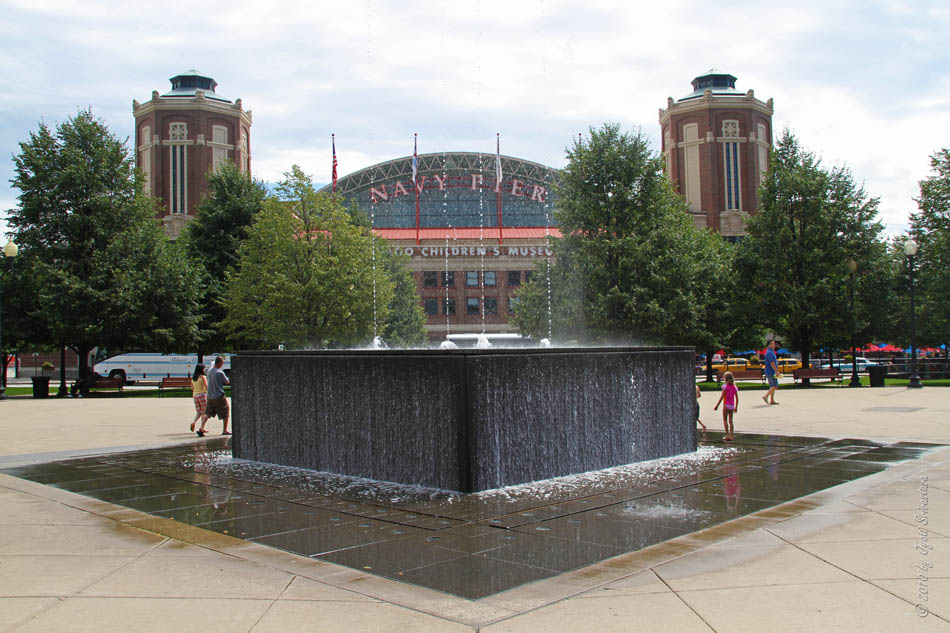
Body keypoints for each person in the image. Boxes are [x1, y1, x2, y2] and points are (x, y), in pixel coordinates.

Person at [197, 356, 230, 437]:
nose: (222, 365)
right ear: (219, 363)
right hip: (218, 395)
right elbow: (227, 382)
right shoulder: (220, 372)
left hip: (210, 395)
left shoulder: (209, 371)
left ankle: (201, 428)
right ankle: (225, 430)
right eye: (222, 363)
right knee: (226, 411)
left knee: (208, 412)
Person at [713, 371, 738, 441]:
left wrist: (717, 406)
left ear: (725, 379)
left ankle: (727, 435)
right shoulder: (734, 387)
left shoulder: (725, 387)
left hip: (726, 405)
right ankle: (732, 436)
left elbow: (722, 397)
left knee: (725, 420)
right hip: (732, 406)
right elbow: (737, 398)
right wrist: (736, 407)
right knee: (731, 421)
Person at [189, 364, 207, 433]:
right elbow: (206, 386)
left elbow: (192, 388)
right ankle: (202, 427)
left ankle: (194, 422)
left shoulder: (193, 378)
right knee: (204, 412)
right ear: (202, 369)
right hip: (202, 395)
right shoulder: (203, 377)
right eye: (204, 368)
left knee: (199, 412)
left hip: (195, 395)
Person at [762, 339, 780, 405]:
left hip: (771, 371)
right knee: (774, 385)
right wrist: (776, 371)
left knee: (773, 386)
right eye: (772, 343)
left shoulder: (771, 352)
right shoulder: (769, 352)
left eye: (774, 343)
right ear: (769, 345)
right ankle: (765, 396)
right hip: (770, 372)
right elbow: (772, 363)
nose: (774, 345)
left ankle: (772, 400)